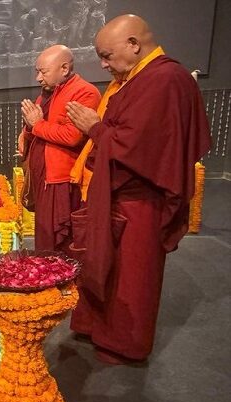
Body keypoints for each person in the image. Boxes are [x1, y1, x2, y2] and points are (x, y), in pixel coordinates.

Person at [65, 15, 211, 364]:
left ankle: (125, 343)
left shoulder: (165, 79)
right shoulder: (138, 79)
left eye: (106, 55)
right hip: (118, 192)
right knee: (104, 262)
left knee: (132, 275)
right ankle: (95, 328)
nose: (103, 64)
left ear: (133, 44)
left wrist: (96, 129)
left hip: (142, 200)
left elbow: (140, 147)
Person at [18, 44, 100, 252]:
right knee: (44, 237)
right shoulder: (47, 94)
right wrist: (27, 130)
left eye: (43, 72)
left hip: (62, 181)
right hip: (43, 179)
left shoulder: (84, 92)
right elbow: (35, 128)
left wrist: (36, 124)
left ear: (64, 68)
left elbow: (72, 136)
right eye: (37, 72)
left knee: (61, 242)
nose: (38, 78)